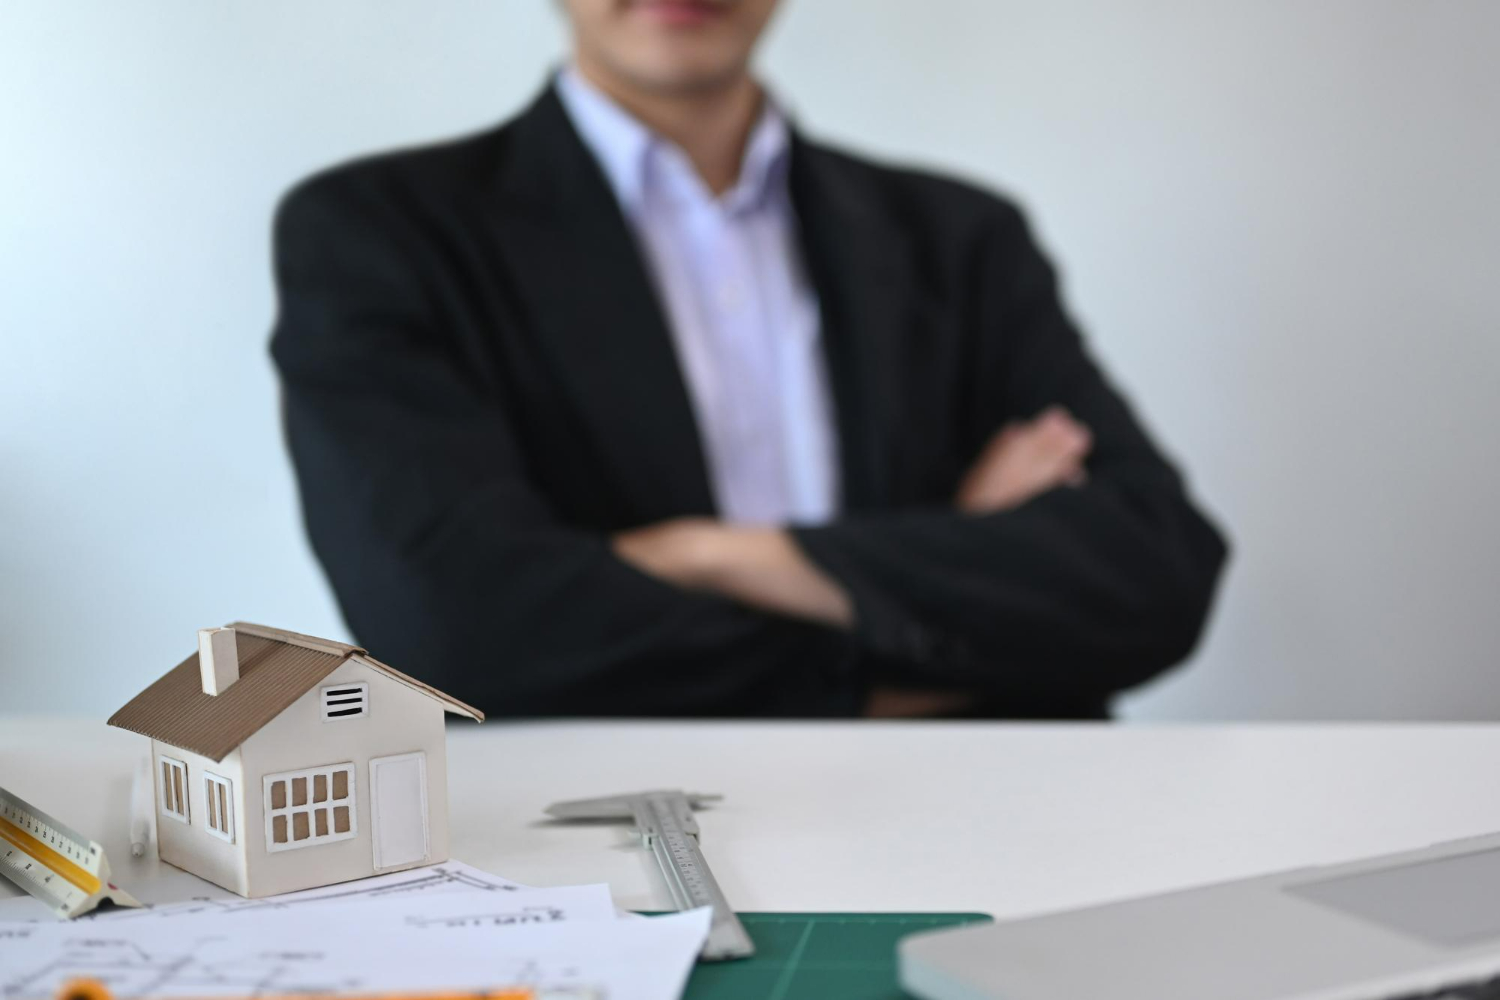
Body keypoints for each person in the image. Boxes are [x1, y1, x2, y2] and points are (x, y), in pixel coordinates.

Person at [270, 0, 1228, 720]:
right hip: (591, 861)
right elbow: (457, 627)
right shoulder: (381, 235)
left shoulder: (961, 238)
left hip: (988, 829)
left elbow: (1157, 572)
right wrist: (939, 578)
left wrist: (703, 555)